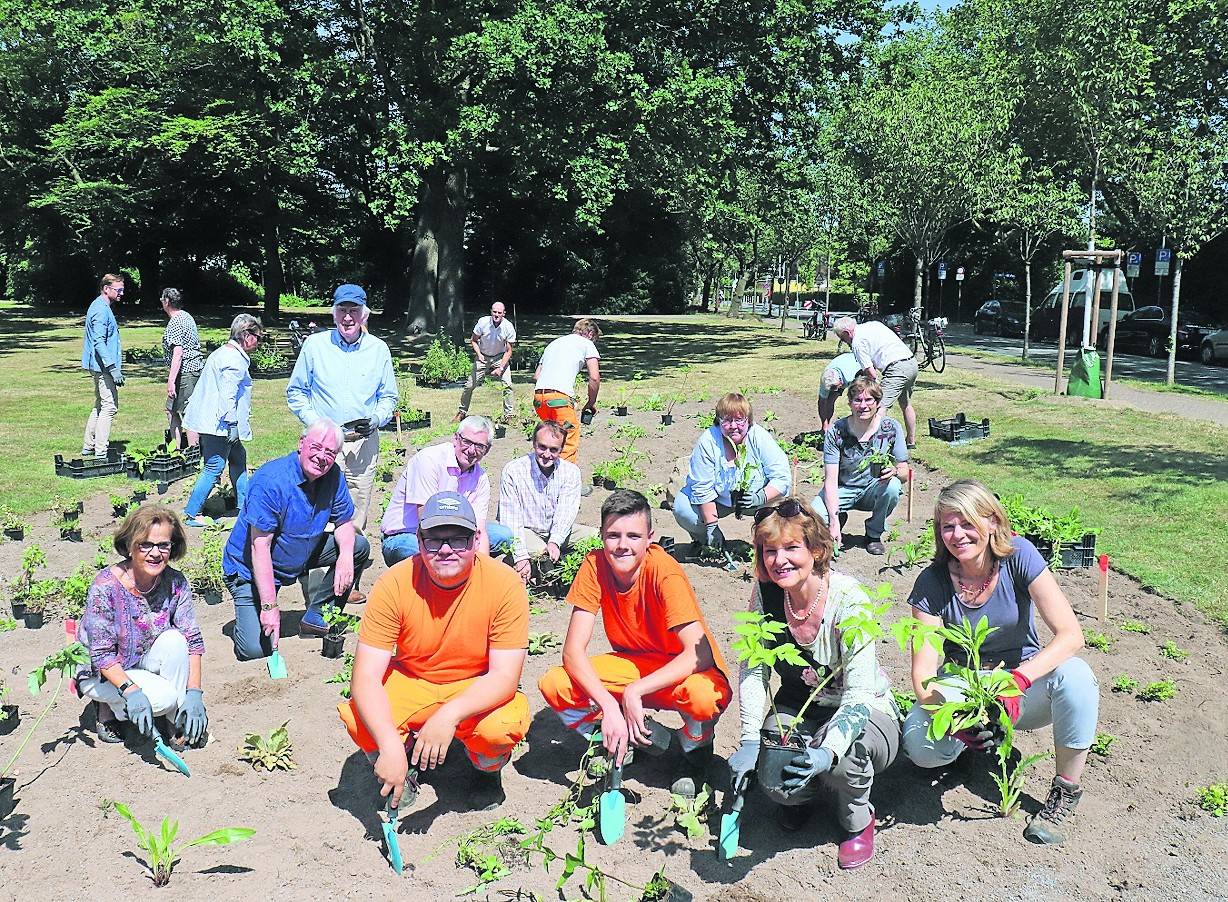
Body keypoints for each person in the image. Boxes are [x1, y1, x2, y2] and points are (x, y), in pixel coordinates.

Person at [903, 480, 1100, 846]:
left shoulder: (1019, 557)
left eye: (967, 523)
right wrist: (957, 722)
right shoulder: (931, 582)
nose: (957, 534)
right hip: (966, 688)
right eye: (948, 525)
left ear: (992, 522)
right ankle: (965, 749)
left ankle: (1066, 791)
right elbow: (923, 675)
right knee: (918, 744)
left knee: (1077, 678)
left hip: (1023, 684)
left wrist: (1020, 680)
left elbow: (1071, 634)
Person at [728, 497, 900, 868]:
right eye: (770, 550)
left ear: (818, 549)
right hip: (802, 703)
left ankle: (856, 820)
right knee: (774, 768)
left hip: (865, 709)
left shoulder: (849, 599)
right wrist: (747, 739)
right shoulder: (767, 594)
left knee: (843, 760)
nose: (780, 560)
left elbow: (857, 696)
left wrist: (827, 751)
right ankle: (802, 797)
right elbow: (754, 668)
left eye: (792, 547)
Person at [340, 491, 530, 811]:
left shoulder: (504, 584)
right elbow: (365, 677)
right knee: (361, 718)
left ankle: (485, 770)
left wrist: (449, 715)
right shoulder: (394, 584)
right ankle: (403, 761)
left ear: (476, 539)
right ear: (418, 539)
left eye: (458, 539)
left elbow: (504, 676)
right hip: (414, 679)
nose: (445, 549)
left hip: (475, 681)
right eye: (433, 539)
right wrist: (388, 745)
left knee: (501, 727)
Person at [539, 490, 731, 798]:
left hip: (682, 669)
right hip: (633, 663)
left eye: (633, 535)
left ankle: (694, 753)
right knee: (556, 683)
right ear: (601, 536)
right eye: (613, 535)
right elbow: (572, 652)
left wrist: (633, 692)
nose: (622, 545)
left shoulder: (663, 571)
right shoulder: (594, 565)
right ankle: (617, 736)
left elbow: (700, 653)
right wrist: (607, 707)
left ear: (650, 538)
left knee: (701, 698)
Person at [222, 419, 372, 659]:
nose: (322, 457)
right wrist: (270, 607)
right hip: (251, 570)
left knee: (358, 547)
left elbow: (344, 522)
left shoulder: (333, 475)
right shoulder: (271, 481)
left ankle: (317, 617)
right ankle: (253, 607)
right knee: (253, 650)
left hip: (301, 551)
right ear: (301, 444)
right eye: (317, 447)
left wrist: (344, 557)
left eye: (330, 452)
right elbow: (259, 547)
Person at [77, 505, 208, 750]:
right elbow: (102, 655)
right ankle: (108, 707)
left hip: (140, 657)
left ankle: (176, 719)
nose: (155, 553)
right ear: (129, 546)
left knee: (175, 640)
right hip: (102, 671)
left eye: (163, 545)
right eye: (145, 544)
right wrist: (131, 690)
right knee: (164, 698)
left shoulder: (175, 582)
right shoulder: (105, 587)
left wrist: (194, 693)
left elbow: (192, 639)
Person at [286, 283, 398, 536]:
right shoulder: (315, 346)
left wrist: (377, 419)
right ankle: (319, 561)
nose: (348, 317)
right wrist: (318, 426)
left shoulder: (378, 350)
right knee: (317, 501)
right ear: (333, 313)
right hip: (322, 443)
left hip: (362, 442)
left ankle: (351, 561)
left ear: (364, 314)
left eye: (354, 310)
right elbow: (296, 392)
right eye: (342, 310)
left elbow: (389, 396)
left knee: (358, 505)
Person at [380, 416, 513, 565]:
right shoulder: (429, 460)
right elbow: (425, 521)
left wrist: (483, 570)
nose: (471, 450)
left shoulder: (480, 478)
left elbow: (479, 530)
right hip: (409, 534)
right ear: (455, 439)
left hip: (455, 534)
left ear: (487, 450)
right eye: (467, 442)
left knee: (503, 535)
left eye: (479, 446)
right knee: (416, 551)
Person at [671, 392, 791, 551]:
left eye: (739, 420)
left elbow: (781, 478)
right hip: (719, 499)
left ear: (748, 420)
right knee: (683, 508)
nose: (733, 426)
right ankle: (708, 541)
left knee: (784, 511)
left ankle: (768, 545)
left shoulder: (760, 437)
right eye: (727, 420)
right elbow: (702, 488)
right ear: (718, 421)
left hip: (757, 499)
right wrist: (711, 525)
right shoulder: (708, 442)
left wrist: (760, 496)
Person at [813, 376, 909, 555]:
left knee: (893, 486)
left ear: (878, 403)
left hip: (874, 488)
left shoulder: (891, 428)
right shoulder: (837, 431)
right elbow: (831, 481)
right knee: (814, 514)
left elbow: (904, 473)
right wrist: (833, 522)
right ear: (850, 403)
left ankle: (873, 534)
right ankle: (839, 517)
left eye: (868, 400)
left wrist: (895, 471)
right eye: (857, 400)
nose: (863, 405)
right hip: (844, 488)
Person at [181, 314, 261, 527]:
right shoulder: (234, 361)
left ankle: (244, 504)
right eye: (257, 337)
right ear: (246, 335)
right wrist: (232, 424)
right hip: (220, 425)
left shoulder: (222, 353)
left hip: (214, 421)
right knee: (214, 466)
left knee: (238, 458)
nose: (259, 341)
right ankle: (192, 513)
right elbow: (228, 395)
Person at [496, 420, 597, 583]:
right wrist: (520, 556)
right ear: (534, 443)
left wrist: (555, 541)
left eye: (553, 450)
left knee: (595, 538)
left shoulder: (570, 472)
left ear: (562, 449)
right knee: (541, 552)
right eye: (542, 447)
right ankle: (526, 563)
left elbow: (566, 512)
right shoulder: (514, 471)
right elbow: (511, 519)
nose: (546, 454)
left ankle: (558, 565)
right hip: (526, 531)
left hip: (554, 530)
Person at [833, 316, 919, 448]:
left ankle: (874, 444)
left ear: (847, 333)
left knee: (878, 407)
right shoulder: (873, 325)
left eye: (843, 339)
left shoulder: (857, 342)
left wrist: (875, 388)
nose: (845, 342)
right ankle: (911, 441)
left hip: (897, 369)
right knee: (906, 404)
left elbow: (870, 372)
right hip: (911, 363)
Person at [533, 318, 601, 465]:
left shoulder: (554, 344)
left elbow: (536, 375)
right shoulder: (586, 344)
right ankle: (566, 484)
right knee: (568, 438)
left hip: (539, 399)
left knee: (550, 438)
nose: (593, 342)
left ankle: (545, 478)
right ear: (589, 334)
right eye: (594, 339)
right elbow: (594, 378)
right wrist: (591, 402)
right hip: (560, 400)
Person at [80, 273, 125, 460]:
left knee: (100, 405)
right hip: (103, 367)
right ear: (106, 289)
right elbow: (98, 342)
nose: (122, 293)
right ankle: (101, 451)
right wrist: (113, 368)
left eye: (122, 290)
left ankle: (89, 446)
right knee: (109, 407)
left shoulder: (101, 306)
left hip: (100, 366)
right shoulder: (100, 310)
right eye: (118, 290)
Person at [456, 301, 517, 423]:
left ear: (503, 314)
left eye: (499, 313)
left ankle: (508, 415)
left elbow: (509, 351)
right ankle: (462, 412)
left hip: (500, 357)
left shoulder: (508, 327)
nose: (496, 315)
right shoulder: (482, 322)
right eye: (494, 312)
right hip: (482, 356)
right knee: (469, 386)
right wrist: (479, 355)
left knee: (508, 385)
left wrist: (500, 368)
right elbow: (473, 340)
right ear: (491, 312)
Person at [160, 287, 204, 450]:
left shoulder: (175, 322)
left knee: (188, 413)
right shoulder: (187, 316)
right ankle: (176, 449)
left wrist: (171, 381)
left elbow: (178, 353)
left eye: (162, 300)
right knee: (170, 409)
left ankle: (194, 452)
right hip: (194, 369)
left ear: (167, 302)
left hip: (186, 372)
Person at [817, 351, 861, 433]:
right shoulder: (826, 377)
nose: (834, 390)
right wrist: (824, 425)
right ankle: (826, 427)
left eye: (835, 387)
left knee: (859, 400)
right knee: (829, 400)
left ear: (840, 383)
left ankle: (858, 426)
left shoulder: (851, 376)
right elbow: (822, 402)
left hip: (859, 364)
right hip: (842, 366)